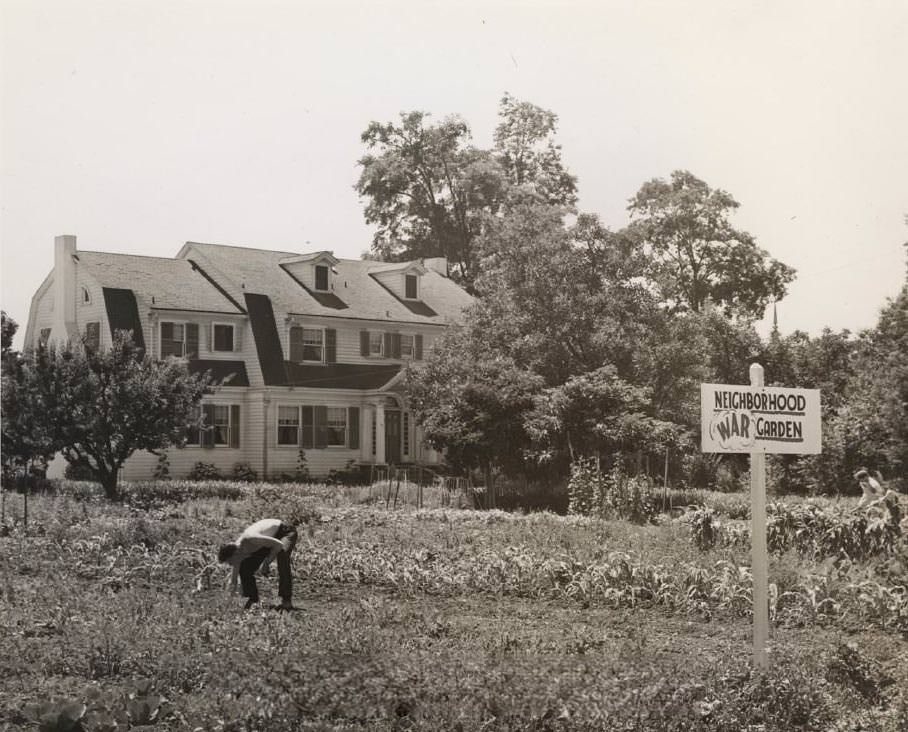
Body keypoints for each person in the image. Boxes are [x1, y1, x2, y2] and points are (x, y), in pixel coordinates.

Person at [218, 518, 297, 610]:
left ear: (235, 554)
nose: (232, 565)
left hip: (284, 531)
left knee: (282, 555)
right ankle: (252, 600)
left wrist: (266, 563)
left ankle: (286, 600)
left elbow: (279, 545)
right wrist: (228, 602)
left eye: (230, 562)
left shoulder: (250, 538)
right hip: (266, 541)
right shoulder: (237, 554)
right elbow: (233, 580)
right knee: (244, 569)